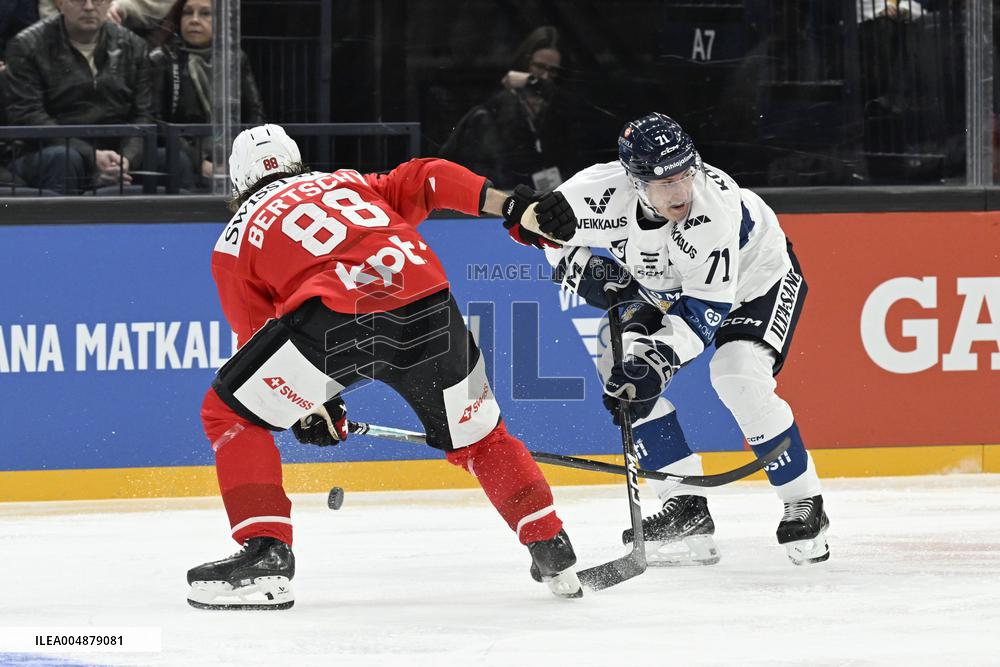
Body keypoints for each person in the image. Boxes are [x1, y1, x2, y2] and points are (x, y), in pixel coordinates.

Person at [188, 124, 583, 610]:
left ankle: (266, 552)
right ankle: (550, 544)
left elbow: (258, 338)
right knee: (481, 438)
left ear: (236, 183)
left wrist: (311, 404)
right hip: (432, 304)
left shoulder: (235, 236)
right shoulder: (346, 182)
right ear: (297, 163)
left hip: (341, 319)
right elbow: (429, 177)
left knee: (229, 413)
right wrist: (515, 208)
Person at [501, 112, 830, 567]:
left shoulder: (714, 212)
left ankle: (804, 501)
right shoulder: (595, 193)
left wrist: (657, 362)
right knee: (619, 370)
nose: (680, 192)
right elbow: (536, 225)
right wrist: (575, 265)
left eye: (684, 174)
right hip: (663, 287)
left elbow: (703, 313)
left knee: (736, 373)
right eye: (663, 182)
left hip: (756, 283)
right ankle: (685, 504)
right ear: (634, 182)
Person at [5, 0, 152, 194]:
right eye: (79, 0)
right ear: (59, 3)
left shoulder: (135, 46)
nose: (89, 7)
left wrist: (125, 159)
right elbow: (28, 115)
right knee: (64, 158)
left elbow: (144, 115)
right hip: (45, 149)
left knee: (174, 159)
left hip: (116, 151)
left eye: (98, 0)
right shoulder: (26, 45)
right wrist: (92, 157)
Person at [439, 26, 575, 191]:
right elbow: (487, 171)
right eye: (539, 67)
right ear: (525, 63)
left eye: (552, 72)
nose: (545, 77)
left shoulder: (558, 113)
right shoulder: (494, 112)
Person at [148, 0, 265, 188]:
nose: (194, 20)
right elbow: (156, 120)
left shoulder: (234, 59)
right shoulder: (162, 58)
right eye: (188, 13)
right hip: (183, 153)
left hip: (230, 153)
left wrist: (238, 157)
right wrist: (198, 161)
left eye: (205, 14)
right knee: (180, 163)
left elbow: (255, 112)